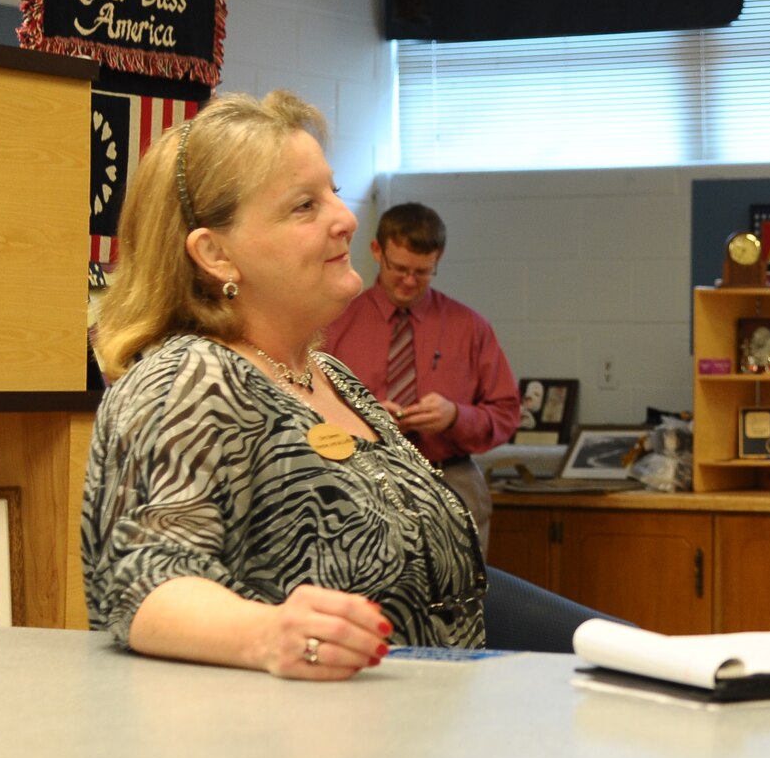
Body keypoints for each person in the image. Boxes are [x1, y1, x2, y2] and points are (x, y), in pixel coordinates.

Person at [83, 91, 604, 679]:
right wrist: (266, 635)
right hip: (310, 750)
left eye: (332, 190)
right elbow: (145, 581)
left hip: (430, 733)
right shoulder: (188, 378)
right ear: (215, 254)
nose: (347, 217)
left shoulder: (327, 375)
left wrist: (615, 643)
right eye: (305, 206)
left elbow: (437, 577)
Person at [324, 202, 519, 554]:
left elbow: (506, 414)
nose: (409, 281)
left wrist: (456, 417)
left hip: (452, 480)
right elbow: (301, 410)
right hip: (359, 481)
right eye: (399, 268)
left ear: (437, 260)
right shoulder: (334, 324)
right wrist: (363, 420)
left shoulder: (469, 327)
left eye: (423, 272)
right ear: (376, 251)